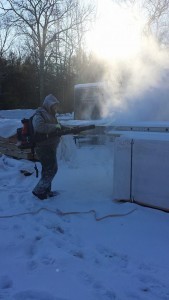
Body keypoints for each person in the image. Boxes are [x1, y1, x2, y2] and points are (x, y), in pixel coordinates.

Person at [32, 94, 62, 200]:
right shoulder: (39, 114)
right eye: (54, 105)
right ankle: (38, 191)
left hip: (50, 146)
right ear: (48, 104)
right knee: (52, 169)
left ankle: (46, 190)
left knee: (47, 170)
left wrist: (66, 127)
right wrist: (55, 126)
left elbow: (56, 127)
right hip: (43, 147)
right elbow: (39, 127)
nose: (55, 107)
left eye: (56, 105)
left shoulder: (52, 115)